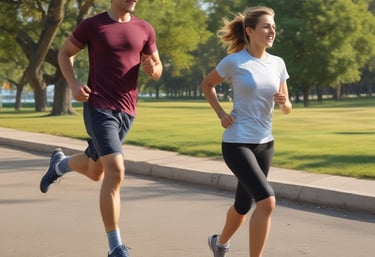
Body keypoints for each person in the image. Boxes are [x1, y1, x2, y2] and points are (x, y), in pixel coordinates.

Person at [40, 0, 162, 256]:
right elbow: (65, 53)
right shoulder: (92, 26)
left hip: (127, 111)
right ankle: (115, 247)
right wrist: (73, 84)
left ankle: (59, 165)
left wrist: (153, 69)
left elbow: (157, 67)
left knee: (96, 171)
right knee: (115, 170)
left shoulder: (145, 28)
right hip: (99, 107)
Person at [201, 6, 292, 257]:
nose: (271, 30)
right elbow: (207, 84)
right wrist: (220, 113)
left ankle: (219, 242)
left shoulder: (278, 63)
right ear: (250, 31)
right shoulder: (235, 61)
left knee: (243, 205)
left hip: (265, 144)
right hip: (237, 142)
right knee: (267, 201)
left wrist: (284, 102)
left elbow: (287, 107)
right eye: (266, 26)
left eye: (273, 26)